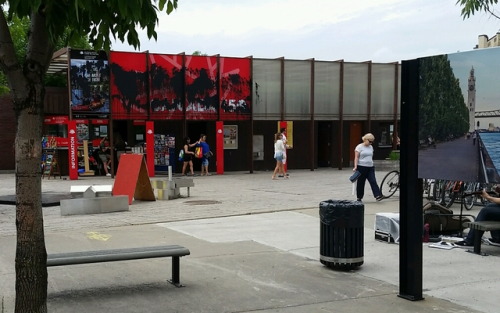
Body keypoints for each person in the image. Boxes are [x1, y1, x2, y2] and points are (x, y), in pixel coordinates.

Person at [353, 133, 383, 201]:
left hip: (370, 167)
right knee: (361, 182)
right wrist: (355, 166)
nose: (371, 143)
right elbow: (356, 157)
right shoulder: (359, 147)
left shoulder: (371, 147)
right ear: (365, 139)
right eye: (370, 141)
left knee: (373, 180)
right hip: (361, 167)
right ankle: (359, 197)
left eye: (372, 142)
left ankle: (377, 195)